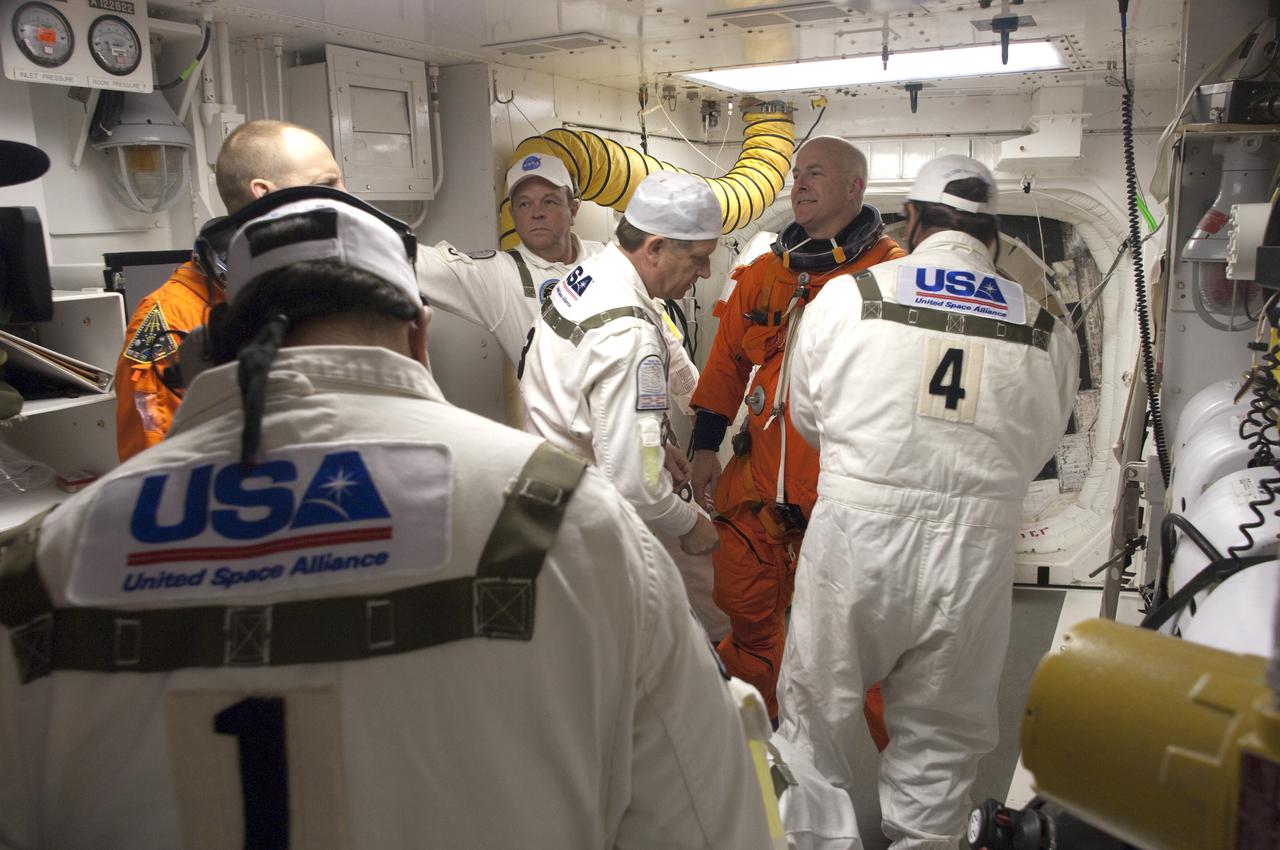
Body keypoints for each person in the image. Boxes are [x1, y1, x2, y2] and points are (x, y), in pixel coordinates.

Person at [0, 186, 774, 850]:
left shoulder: (43, 566)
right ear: (418, 333)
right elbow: (704, 821)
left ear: (222, 340)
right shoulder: (568, 522)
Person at [776, 155, 1079, 849]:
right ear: (992, 233)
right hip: (975, 552)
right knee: (942, 743)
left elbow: (806, 417)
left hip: (857, 535)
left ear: (909, 221)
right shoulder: (1046, 329)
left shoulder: (850, 297)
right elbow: (1039, 447)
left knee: (813, 726)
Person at [687, 136, 906, 720]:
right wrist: (705, 445)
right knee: (745, 613)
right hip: (760, 486)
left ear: (855, 187)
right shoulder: (766, 274)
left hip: (842, 493)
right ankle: (760, 745)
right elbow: (728, 361)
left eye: (814, 173)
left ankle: (910, 797)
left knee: (865, 646)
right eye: (795, 173)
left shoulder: (891, 276)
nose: (798, 183)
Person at [519, 172, 726, 631]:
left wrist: (648, 443)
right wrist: (691, 525)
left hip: (553, 494)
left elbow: (588, 391)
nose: (706, 273)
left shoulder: (592, 274)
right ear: (653, 248)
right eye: (699, 259)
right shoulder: (631, 333)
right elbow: (635, 485)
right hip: (590, 528)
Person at [112, 119, 344, 461]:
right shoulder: (172, 318)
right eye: (327, 183)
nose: (344, 196)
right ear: (264, 193)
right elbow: (153, 470)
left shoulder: (311, 290)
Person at [413, 153, 701, 416]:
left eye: (549, 201)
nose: (536, 212)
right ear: (513, 214)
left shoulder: (609, 257)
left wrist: (702, 420)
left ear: (573, 209)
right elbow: (420, 264)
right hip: (567, 448)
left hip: (641, 431)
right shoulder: (500, 275)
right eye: (524, 204)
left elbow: (665, 339)